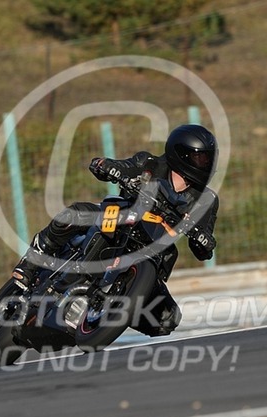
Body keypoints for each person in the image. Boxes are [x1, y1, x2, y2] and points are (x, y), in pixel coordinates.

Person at [12, 124, 219, 336]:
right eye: (201, 158)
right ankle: (30, 263)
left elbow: (204, 246)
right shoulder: (149, 164)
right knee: (75, 214)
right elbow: (118, 166)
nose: (206, 164)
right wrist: (107, 166)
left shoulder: (207, 200)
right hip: (122, 220)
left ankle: (110, 313)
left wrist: (204, 241)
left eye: (209, 159)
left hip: (156, 249)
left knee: (167, 318)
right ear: (181, 154)